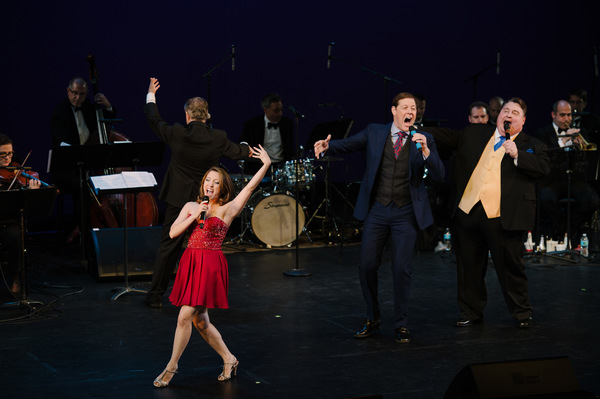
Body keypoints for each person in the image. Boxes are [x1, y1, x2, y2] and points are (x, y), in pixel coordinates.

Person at [313, 92, 445, 343]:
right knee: (366, 265)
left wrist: (427, 151)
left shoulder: (423, 138)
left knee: (401, 268)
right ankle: (373, 317)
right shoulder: (375, 132)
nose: (411, 111)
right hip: (378, 209)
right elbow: (351, 143)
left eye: (414, 108)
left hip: (406, 212)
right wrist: (328, 145)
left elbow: (439, 174)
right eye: (405, 107)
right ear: (393, 111)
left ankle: (401, 323)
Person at [153, 145, 271, 387]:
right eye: (208, 180)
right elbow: (174, 233)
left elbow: (250, 187)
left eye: (216, 182)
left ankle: (171, 366)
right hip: (191, 262)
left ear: (223, 187)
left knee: (185, 316)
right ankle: (229, 359)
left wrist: (266, 165)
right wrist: (195, 213)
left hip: (210, 264)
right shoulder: (191, 206)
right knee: (201, 321)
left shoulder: (228, 210)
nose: (210, 185)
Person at [426, 98, 550, 328]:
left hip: (503, 217)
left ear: (523, 120)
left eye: (515, 112)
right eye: (505, 110)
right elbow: (446, 136)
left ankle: (522, 314)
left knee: (510, 268)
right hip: (468, 212)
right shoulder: (476, 135)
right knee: (468, 267)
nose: (509, 114)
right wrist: (415, 129)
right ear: (498, 116)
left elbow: (543, 167)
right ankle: (470, 311)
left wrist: (518, 155)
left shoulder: (531, 144)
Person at [144, 77, 251, 308]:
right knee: (204, 248)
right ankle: (202, 295)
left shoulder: (177, 133)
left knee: (169, 247)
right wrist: (249, 149)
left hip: (177, 198)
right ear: (207, 116)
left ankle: (155, 296)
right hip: (206, 201)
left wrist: (151, 94)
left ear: (187, 115)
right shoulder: (218, 138)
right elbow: (239, 152)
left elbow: (154, 120)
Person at [50, 77, 117, 244]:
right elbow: (61, 145)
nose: (77, 98)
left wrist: (108, 106)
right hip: (67, 168)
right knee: (82, 186)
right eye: (74, 93)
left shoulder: (88, 107)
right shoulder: (59, 113)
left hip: (89, 165)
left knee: (96, 183)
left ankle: (101, 231)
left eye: (81, 94)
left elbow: (106, 121)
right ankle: (82, 229)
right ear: (68, 91)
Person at [533, 100, 599, 240]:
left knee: (592, 200)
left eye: (569, 115)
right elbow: (546, 156)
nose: (567, 119)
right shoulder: (542, 133)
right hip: (552, 180)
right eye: (562, 115)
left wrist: (579, 148)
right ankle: (566, 231)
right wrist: (563, 142)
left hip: (575, 179)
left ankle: (565, 231)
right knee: (545, 199)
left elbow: (587, 162)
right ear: (553, 115)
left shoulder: (581, 132)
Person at [0, 133, 41, 297]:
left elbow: (29, 207)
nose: (7, 158)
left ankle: (16, 278)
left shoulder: (16, 172)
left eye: (10, 153)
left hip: (11, 222)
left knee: (16, 237)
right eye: (2, 154)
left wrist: (31, 193)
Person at [239, 93, 294, 175]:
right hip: (258, 167)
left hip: (282, 168)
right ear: (265, 109)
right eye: (276, 110)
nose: (280, 113)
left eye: (281, 110)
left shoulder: (288, 124)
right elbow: (243, 144)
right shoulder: (251, 125)